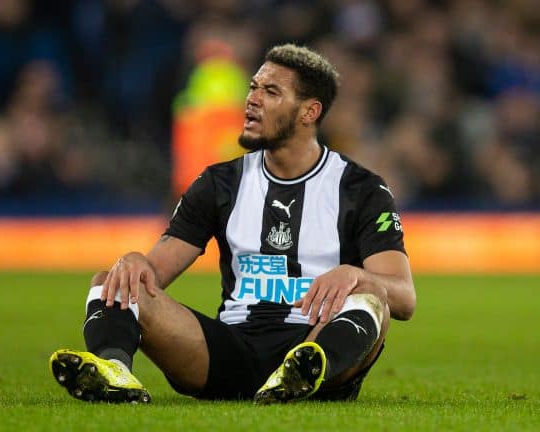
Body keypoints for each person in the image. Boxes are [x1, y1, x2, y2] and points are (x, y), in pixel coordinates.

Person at [49, 44, 416, 404]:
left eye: (271, 91)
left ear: (309, 112)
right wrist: (135, 263)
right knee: (110, 282)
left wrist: (356, 274)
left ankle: (303, 371)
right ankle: (113, 372)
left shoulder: (361, 189)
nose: (252, 99)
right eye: (253, 87)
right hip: (231, 352)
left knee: (371, 299)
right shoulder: (218, 183)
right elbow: (152, 276)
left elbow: (403, 297)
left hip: (316, 340)